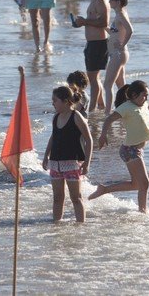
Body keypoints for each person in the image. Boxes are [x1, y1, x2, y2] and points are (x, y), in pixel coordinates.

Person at [90, 80, 149, 212]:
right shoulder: (126, 107)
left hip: (136, 150)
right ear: (133, 95)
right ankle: (142, 212)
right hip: (130, 150)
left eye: (147, 95)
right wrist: (103, 135)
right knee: (144, 183)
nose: (146, 98)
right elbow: (109, 119)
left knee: (136, 184)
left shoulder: (142, 104)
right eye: (144, 95)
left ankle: (104, 189)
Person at [41, 85, 92, 222]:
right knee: (57, 198)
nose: (53, 103)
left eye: (55, 100)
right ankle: (56, 226)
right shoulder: (55, 117)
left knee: (76, 198)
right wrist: (46, 156)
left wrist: (87, 162)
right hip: (55, 162)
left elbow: (89, 139)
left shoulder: (76, 116)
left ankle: (81, 226)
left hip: (72, 163)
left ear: (65, 101)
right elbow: (53, 137)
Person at [73, 0, 110, 112]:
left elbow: (104, 22)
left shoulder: (100, 0)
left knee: (93, 79)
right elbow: (94, 21)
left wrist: (85, 21)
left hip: (98, 44)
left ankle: (92, 110)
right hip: (94, 43)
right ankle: (101, 105)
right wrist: (81, 23)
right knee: (95, 78)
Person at [105, 0, 134, 109]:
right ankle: (128, 108)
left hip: (119, 53)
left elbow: (130, 30)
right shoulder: (119, 14)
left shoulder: (121, 14)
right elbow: (115, 32)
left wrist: (122, 44)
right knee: (121, 85)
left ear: (118, 2)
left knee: (107, 84)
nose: (109, 1)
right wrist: (101, 26)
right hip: (119, 53)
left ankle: (107, 112)